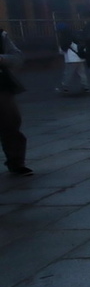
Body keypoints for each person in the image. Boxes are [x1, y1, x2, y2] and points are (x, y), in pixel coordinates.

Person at [0, 26, 30, 176]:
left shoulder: (1, 35)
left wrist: (2, 58)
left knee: (11, 122)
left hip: (1, 87)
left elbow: (17, 57)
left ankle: (16, 162)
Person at [55, 22, 89, 94]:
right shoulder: (75, 35)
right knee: (82, 73)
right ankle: (86, 87)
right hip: (80, 57)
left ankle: (65, 87)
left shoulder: (64, 38)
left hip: (71, 59)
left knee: (68, 73)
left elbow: (63, 49)